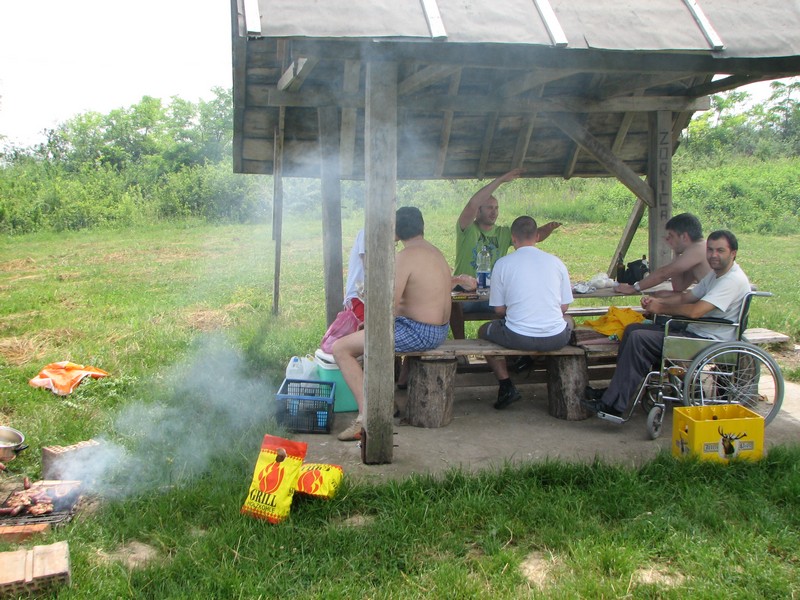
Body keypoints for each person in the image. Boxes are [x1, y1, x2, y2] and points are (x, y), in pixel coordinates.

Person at [583, 230, 750, 417]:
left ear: (733, 253)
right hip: (696, 331)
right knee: (632, 329)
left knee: (639, 338)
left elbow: (695, 311)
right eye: (710, 250)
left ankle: (613, 405)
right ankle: (615, 393)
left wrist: (661, 308)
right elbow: (686, 297)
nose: (713, 255)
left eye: (720, 250)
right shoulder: (715, 275)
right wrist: (657, 302)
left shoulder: (732, 280)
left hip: (708, 339)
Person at [332, 207, 452, 441]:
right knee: (363, 341)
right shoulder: (435, 252)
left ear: (394, 231)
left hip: (420, 332)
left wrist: (371, 323)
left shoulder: (404, 258)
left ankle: (365, 417)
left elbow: (388, 306)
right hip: (439, 330)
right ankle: (386, 403)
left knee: (341, 348)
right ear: (422, 226)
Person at [477, 216, 575, 409]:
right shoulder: (556, 262)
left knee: (483, 331)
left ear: (513, 238)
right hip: (556, 338)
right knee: (569, 320)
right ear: (537, 236)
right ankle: (528, 359)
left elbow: (499, 310)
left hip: (518, 336)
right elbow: (564, 308)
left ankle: (506, 384)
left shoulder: (503, 264)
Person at [451, 168, 561, 338]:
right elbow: (471, 204)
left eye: (496, 208)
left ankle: (507, 340)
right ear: (478, 211)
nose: (494, 212)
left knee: (516, 302)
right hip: (466, 294)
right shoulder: (467, 228)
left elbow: (531, 236)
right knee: (452, 303)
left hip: (495, 295)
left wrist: (547, 229)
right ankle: (460, 345)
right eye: (489, 208)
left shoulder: (503, 233)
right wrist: (500, 180)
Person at [615, 213, 711, 296]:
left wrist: (634, 288)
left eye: (671, 236)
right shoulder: (696, 250)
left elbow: (664, 273)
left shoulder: (697, 249)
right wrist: (676, 253)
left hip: (714, 304)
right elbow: (679, 287)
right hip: (710, 299)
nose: (669, 239)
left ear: (684, 237)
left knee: (662, 297)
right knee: (662, 295)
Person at [343, 228, 366, 322]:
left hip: (366, 294)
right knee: (365, 327)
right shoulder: (366, 232)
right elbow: (367, 263)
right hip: (358, 294)